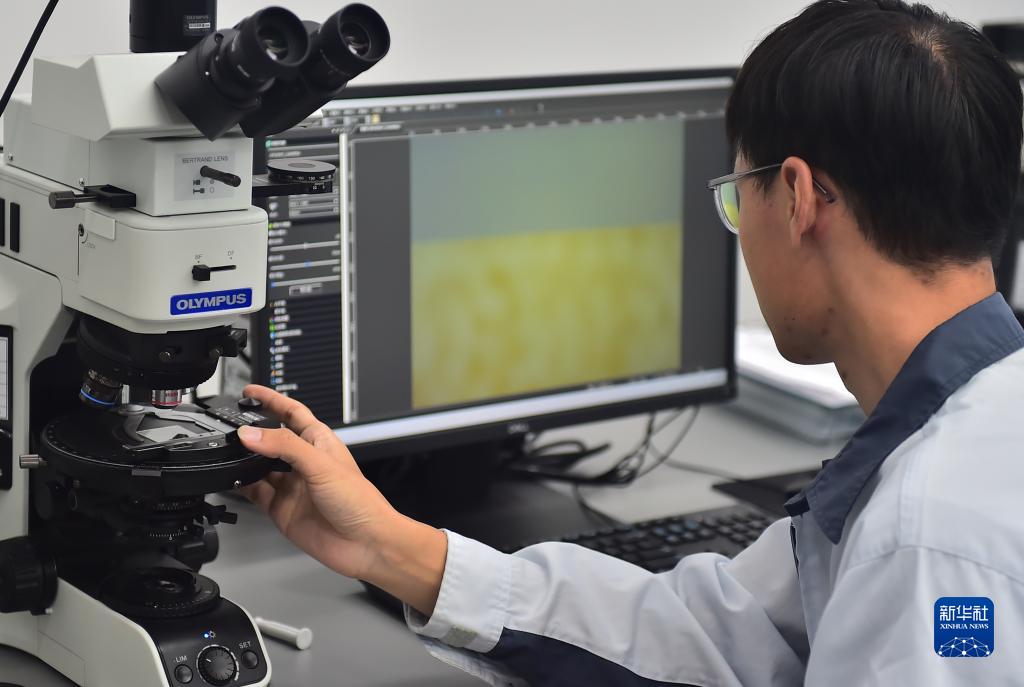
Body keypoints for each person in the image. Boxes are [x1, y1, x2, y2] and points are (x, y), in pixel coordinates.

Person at [234, 0, 1024, 684]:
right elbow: (726, 633)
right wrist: (390, 546)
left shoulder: (929, 539)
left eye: (736, 197)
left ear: (797, 197)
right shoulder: (962, 438)